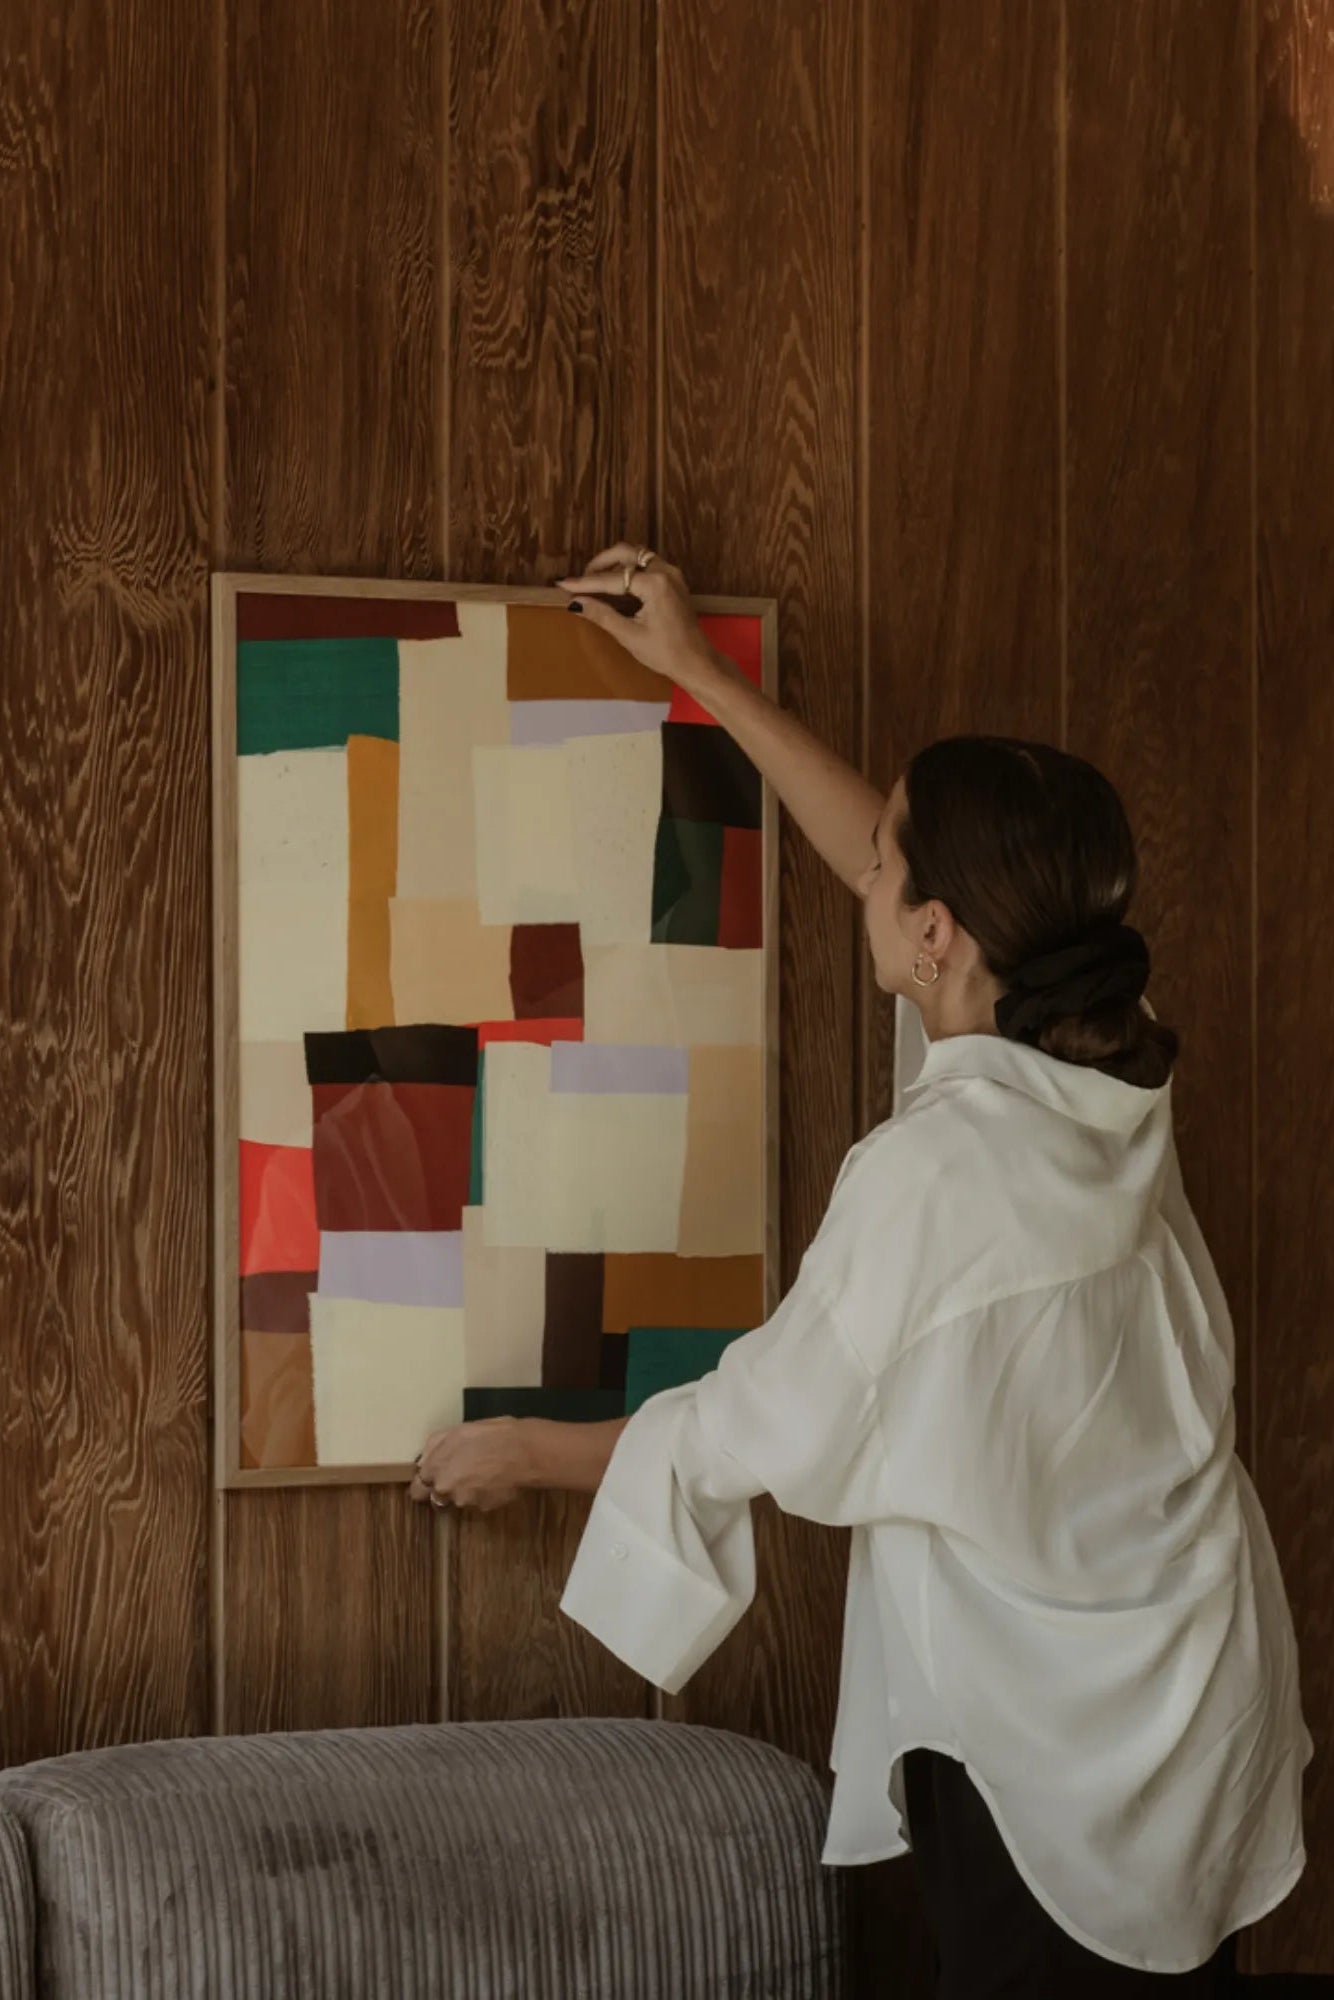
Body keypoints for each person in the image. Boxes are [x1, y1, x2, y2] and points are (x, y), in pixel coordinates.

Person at [409, 545, 1312, 1995]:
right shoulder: (1101, 1046)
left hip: (1054, 1751)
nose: (863, 869)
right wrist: (698, 672)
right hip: (1200, 1681)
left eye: (887, 864)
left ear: (937, 933)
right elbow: (889, 869)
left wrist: (522, 1448)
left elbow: (749, 1427)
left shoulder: (933, 1173)